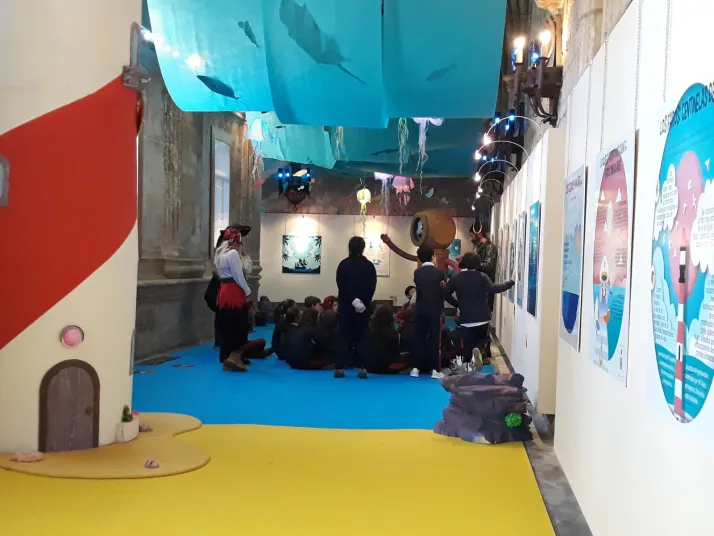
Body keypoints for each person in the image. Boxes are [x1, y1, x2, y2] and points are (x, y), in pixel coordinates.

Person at [445, 252, 514, 367]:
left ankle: (467, 365)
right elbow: (494, 288)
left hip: (466, 319)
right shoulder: (482, 276)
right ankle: (478, 348)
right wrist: (511, 282)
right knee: (484, 338)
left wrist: (457, 304)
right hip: (482, 317)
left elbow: (446, 293)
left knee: (467, 345)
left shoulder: (456, 278)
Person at [410, 246, 458, 379]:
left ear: (420, 258)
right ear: (433, 256)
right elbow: (443, 290)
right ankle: (434, 370)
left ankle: (415, 368)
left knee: (418, 338)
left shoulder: (417, 273)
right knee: (435, 340)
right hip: (435, 310)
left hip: (420, 309)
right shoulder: (439, 273)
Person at [334, 236, 377, 379]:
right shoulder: (369, 266)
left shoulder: (343, 265)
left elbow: (341, 285)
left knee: (343, 336)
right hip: (363, 308)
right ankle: (361, 367)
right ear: (363, 248)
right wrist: (362, 302)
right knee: (362, 337)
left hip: (346, 305)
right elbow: (372, 286)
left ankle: (339, 367)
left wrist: (353, 300)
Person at [215, 227, 252, 372]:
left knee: (227, 323)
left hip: (224, 291)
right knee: (238, 324)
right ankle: (234, 357)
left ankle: (227, 355)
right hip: (234, 292)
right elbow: (238, 275)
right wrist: (247, 290)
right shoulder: (233, 254)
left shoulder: (220, 254)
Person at [358, 305, 409, 374]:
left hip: (368, 366)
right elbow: (396, 353)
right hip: (384, 367)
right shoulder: (391, 332)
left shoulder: (369, 329)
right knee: (411, 357)